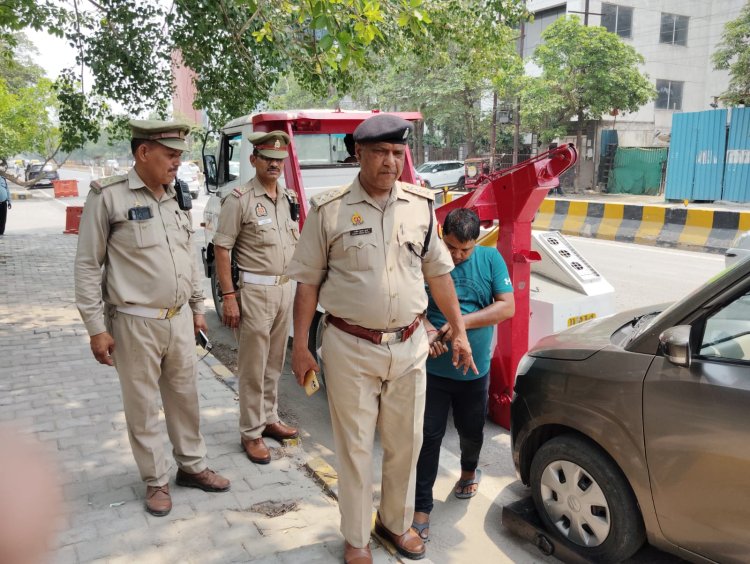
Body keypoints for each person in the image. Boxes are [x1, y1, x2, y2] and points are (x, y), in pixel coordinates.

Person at [287, 113, 477, 564]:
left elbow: (439, 273)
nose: (390, 162)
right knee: (354, 450)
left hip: (410, 345)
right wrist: (300, 346)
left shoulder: (420, 205)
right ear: (359, 154)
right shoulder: (329, 209)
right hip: (350, 346)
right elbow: (307, 284)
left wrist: (461, 332)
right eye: (380, 153)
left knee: (406, 444)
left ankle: (394, 524)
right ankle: (355, 538)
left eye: (397, 152)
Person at [74, 119, 230, 517]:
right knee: (142, 405)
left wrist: (197, 308)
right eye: (171, 155)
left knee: (185, 399)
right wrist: (96, 328)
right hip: (133, 322)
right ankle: (155, 480)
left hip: (178, 320)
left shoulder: (175, 196)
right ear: (143, 153)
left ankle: (192, 467)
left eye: (180, 155)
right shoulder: (107, 197)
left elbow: (187, 256)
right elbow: (88, 267)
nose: (178, 163)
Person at [412, 208, 515, 541]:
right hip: (432, 372)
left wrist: (459, 325)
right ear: (442, 235)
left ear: (477, 240)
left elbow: (507, 306)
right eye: (452, 247)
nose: (456, 256)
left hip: (474, 372)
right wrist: (429, 331)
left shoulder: (490, 260)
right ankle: (421, 508)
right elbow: (411, 306)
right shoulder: (426, 260)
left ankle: (469, 472)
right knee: (428, 437)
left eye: (464, 250)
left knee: (472, 431)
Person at [212, 130, 300, 465]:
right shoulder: (240, 199)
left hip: (284, 289)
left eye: (280, 160)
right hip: (255, 292)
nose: (275, 165)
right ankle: (250, 432)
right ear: (254, 160)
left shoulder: (288, 198)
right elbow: (223, 248)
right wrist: (229, 296)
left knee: (275, 362)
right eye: (268, 159)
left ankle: (269, 418)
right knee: (253, 365)